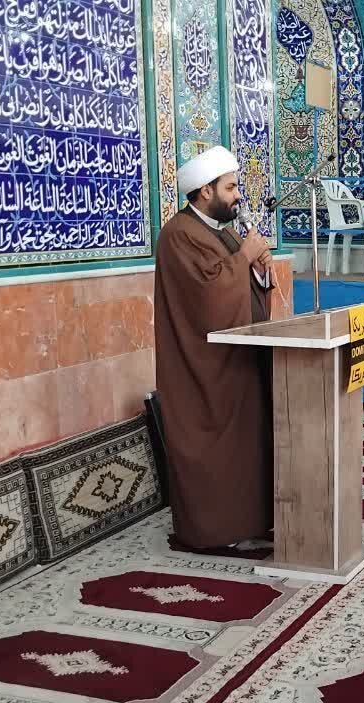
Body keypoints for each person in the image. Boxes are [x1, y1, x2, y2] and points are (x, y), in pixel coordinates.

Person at [155, 146, 276, 551]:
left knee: (247, 445)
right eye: (231, 187)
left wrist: (259, 271)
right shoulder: (179, 234)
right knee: (217, 449)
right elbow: (209, 296)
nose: (238, 195)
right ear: (206, 191)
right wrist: (244, 257)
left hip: (236, 360)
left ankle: (250, 523)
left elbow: (240, 281)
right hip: (202, 365)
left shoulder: (222, 232)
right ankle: (213, 534)